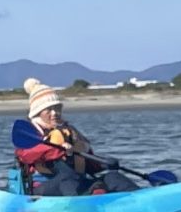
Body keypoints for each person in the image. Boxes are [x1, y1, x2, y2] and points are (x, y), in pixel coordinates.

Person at [11, 79, 143, 195]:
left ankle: (142, 199)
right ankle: (90, 203)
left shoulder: (69, 132)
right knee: (68, 178)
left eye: (57, 108)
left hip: (76, 181)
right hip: (43, 187)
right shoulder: (30, 134)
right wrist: (58, 150)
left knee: (112, 177)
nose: (54, 113)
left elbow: (88, 163)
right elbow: (26, 154)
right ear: (38, 112)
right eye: (48, 109)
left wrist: (103, 164)